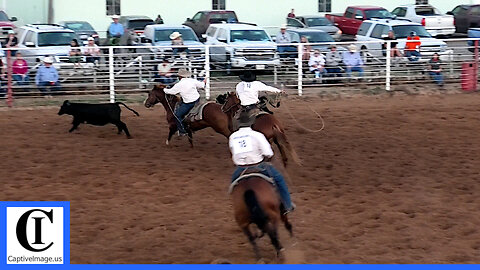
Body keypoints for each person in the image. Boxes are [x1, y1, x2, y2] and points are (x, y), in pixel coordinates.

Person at [229, 110, 295, 215]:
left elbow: (233, 152)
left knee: (232, 186)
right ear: (251, 123)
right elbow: (268, 153)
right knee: (280, 180)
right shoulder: (257, 135)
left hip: (240, 168)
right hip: (258, 166)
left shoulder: (232, 137)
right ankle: (287, 205)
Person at [164, 68, 205, 136]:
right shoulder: (192, 80)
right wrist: (204, 81)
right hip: (197, 99)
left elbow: (172, 92)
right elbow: (202, 85)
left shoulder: (179, 84)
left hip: (189, 103)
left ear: (179, 76)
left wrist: (164, 89)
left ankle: (182, 131)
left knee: (177, 115)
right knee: (181, 102)